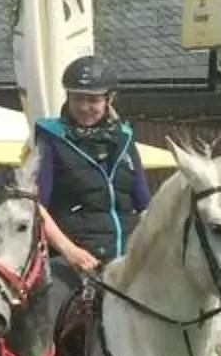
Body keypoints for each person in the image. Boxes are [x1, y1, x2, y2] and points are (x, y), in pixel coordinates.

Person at [31, 53, 153, 294]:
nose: (84, 107)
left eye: (93, 100)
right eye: (77, 99)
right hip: (71, 264)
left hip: (126, 262)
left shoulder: (125, 137)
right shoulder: (51, 138)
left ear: (109, 99)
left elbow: (145, 205)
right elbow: (35, 206)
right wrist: (69, 251)